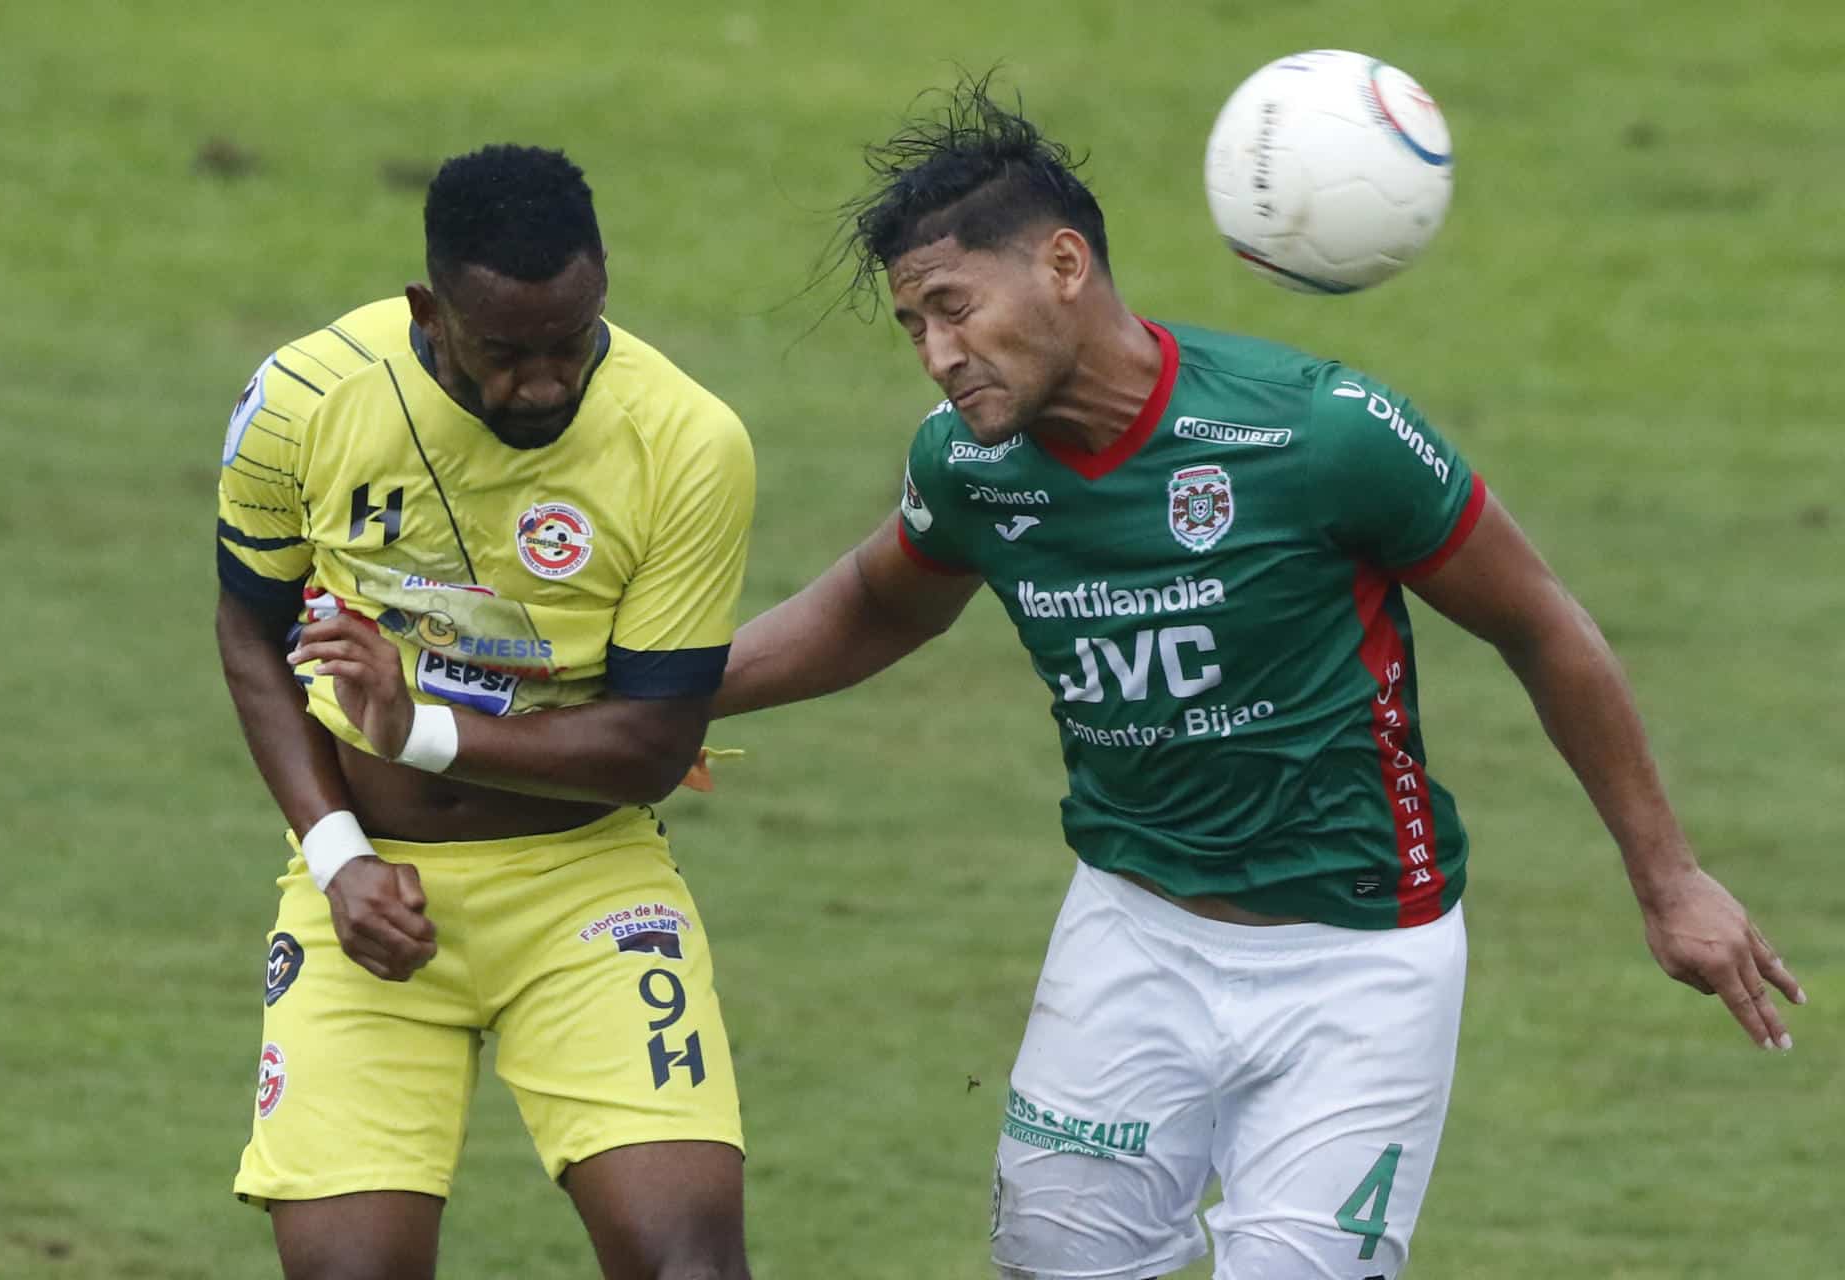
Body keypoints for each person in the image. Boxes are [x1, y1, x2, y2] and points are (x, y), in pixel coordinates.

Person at [712, 82, 1803, 1280]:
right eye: (915, 325)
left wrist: (1669, 876)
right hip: (1131, 930)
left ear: (1065, 264)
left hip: (1361, 959)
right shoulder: (975, 467)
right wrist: (667, 690)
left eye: (955, 309)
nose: (937, 355)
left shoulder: (1321, 434)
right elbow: (877, 603)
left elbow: (1542, 625)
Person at [214, 144, 755, 1280]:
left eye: (575, 341)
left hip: (588, 886)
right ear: (430, 310)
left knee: (689, 1264)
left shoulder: (689, 440)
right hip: (365, 891)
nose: (548, 382)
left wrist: (412, 727)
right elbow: (249, 631)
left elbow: (650, 748)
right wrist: (337, 854)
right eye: (508, 353)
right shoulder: (305, 399)